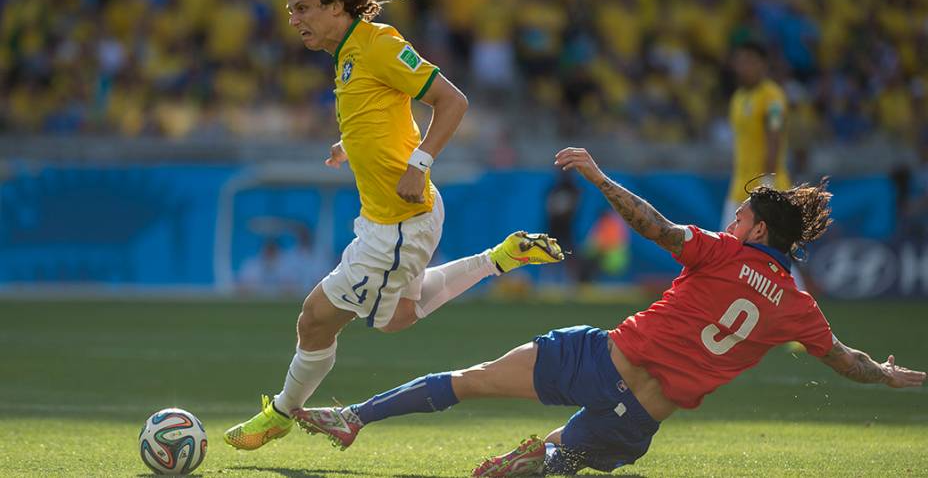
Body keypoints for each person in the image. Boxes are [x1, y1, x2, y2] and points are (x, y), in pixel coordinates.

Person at [289, 147, 926, 476]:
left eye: (741, 214)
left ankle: (354, 418)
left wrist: (597, 176)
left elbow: (655, 226)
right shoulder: (797, 306)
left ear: (757, 228)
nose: (732, 218)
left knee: (470, 381)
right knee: (550, 461)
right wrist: (888, 376)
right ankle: (549, 458)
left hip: (597, 362)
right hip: (637, 422)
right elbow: (846, 361)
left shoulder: (726, 251)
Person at [223, 0, 565, 451]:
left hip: (399, 222)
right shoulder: (345, 54)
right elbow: (380, 113)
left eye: (303, 8)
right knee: (392, 316)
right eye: (290, 9)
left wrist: (420, 162)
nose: (293, 19)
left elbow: (453, 101)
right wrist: (352, 145)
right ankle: (500, 258)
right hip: (394, 218)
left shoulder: (379, 44)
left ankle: (281, 412)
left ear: (338, 7)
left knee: (317, 317)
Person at [722, 40, 790, 230]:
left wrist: (767, 182)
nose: (743, 67)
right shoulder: (738, 98)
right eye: (740, 62)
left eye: (749, 62)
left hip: (766, 186)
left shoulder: (772, 97)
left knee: (770, 252)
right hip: (738, 188)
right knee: (727, 251)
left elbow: (774, 134)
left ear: (763, 64)